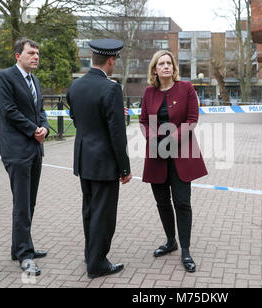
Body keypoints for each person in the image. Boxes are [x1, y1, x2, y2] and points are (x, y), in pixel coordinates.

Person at [67, 39, 132, 279]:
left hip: (84, 158)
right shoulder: (111, 88)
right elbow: (117, 133)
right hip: (104, 162)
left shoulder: (75, 86)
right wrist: (124, 168)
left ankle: (90, 254)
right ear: (111, 60)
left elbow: (75, 118)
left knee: (89, 210)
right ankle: (97, 263)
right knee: (104, 214)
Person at [140, 50, 208, 273]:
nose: (166, 66)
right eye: (162, 63)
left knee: (182, 202)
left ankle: (186, 250)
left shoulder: (186, 88)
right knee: (162, 202)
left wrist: (170, 139)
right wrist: (151, 138)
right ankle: (171, 241)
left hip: (181, 154)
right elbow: (142, 121)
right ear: (155, 69)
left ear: (174, 67)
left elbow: (192, 120)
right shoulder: (149, 92)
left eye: (169, 63)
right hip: (156, 156)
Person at [0, 38, 50, 276]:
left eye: (37, 53)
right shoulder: (5, 77)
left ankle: (21, 246)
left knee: (30, 202)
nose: (36, 56)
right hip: (16, 150)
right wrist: (33, 130)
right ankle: (25, 256)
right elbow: (9, 111)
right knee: (22, 203)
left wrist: (45, 127)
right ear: (18, 55)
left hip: (34, 149)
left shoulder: (34, 80)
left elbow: (40, 111)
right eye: (31, 53)